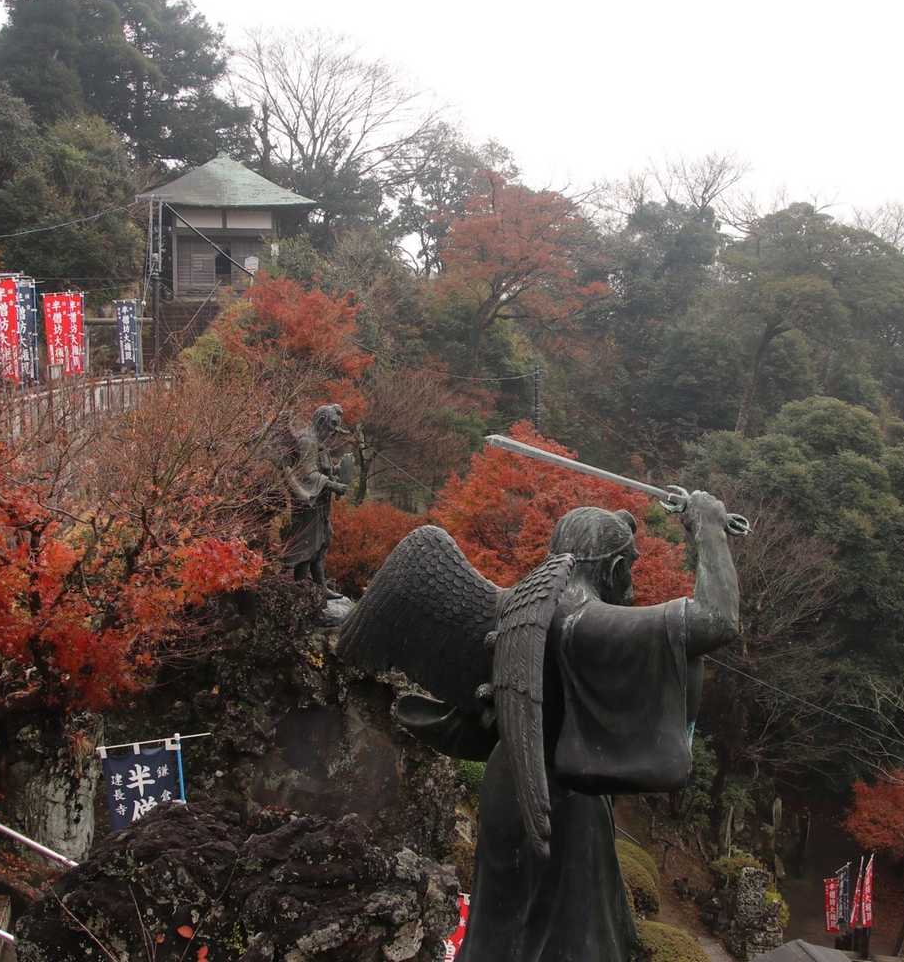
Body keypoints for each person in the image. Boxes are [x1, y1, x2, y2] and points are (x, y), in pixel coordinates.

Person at [338, 488, 741, 961]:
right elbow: (716, 621)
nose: (631, 582)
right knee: (571, 940)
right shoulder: (582, 621)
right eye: (629, 567)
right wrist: (708, 526)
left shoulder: (515, 606)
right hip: (557, 799)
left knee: (503, 928)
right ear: (614, 569)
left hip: (509, 776)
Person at [281, 403, 347, 596]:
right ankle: (301, 589)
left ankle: (321, 587)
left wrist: (339, 470)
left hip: (320, 504)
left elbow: (322, 469)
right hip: (307, 503)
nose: (333, 432)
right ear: (321, 421)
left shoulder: (320, 443)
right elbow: (307, 473)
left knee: (322, 542)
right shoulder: (307, 441)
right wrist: (333, 485)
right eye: (332, 425)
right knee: (307, 545)